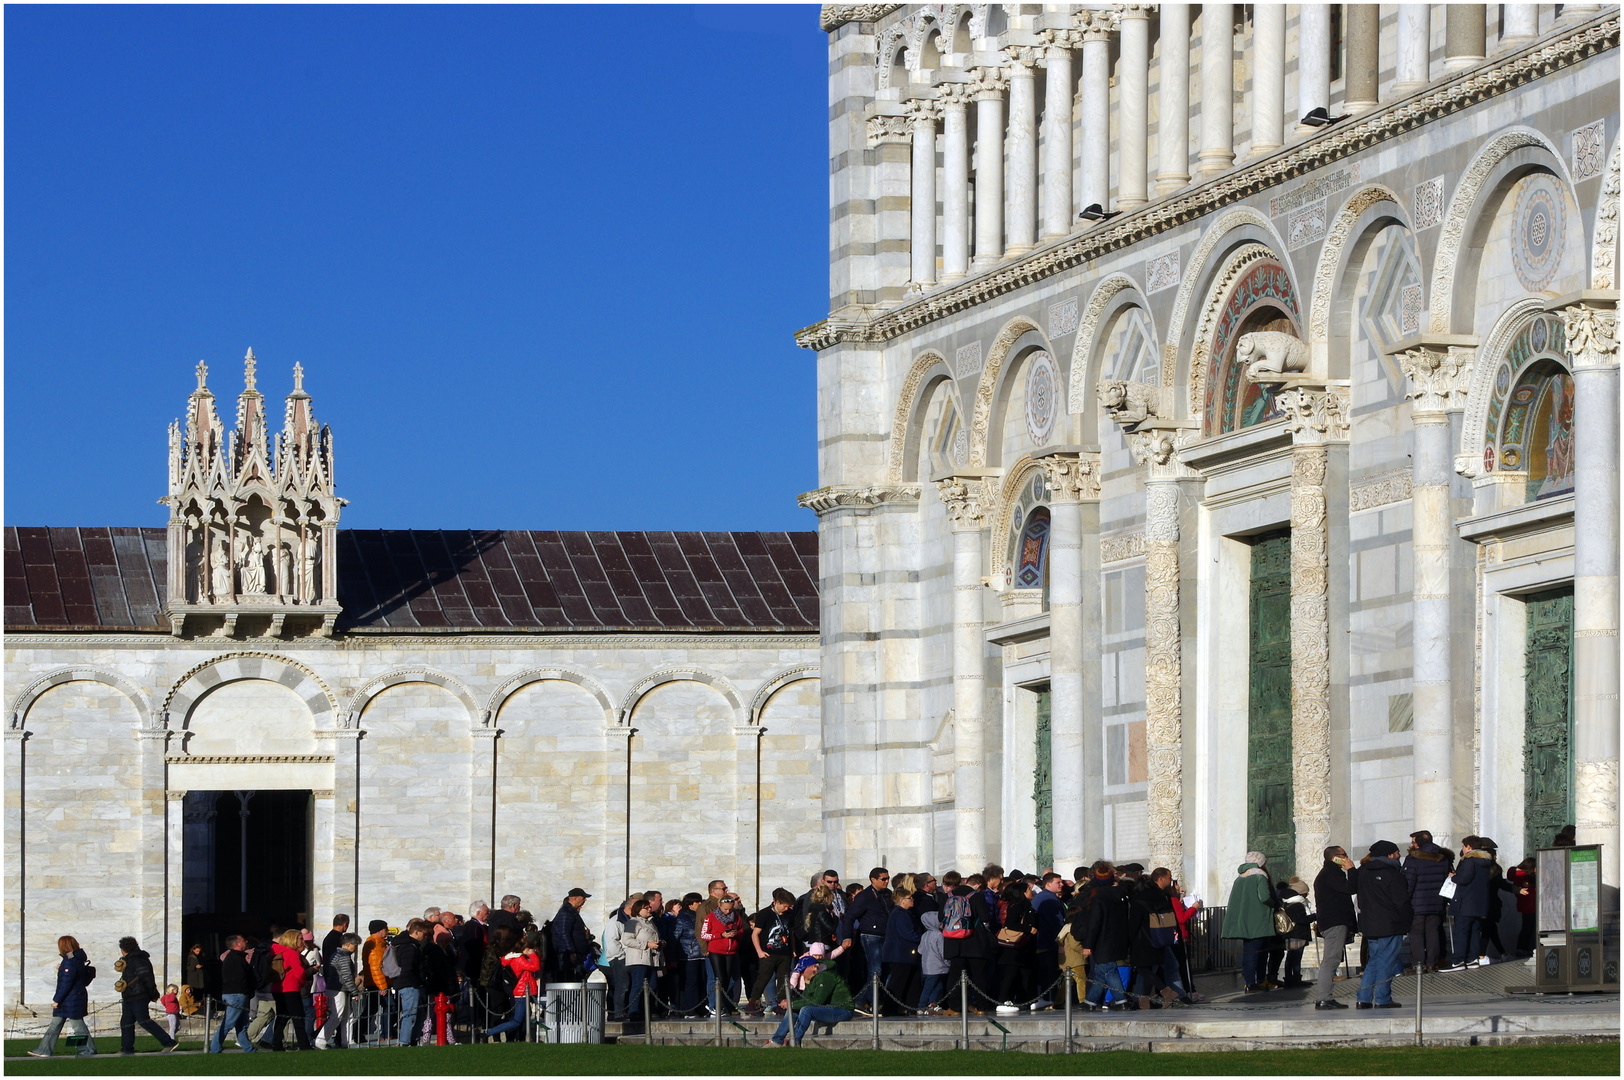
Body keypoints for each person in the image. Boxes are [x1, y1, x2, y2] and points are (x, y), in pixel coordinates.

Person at [1354, 840, 1413, 1008]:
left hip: (1370, 924)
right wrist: (1407, 922)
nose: (1399, 855)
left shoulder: (1363, 872)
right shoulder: (1393, 873)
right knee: (1387, 961)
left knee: (1374, 961)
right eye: (1396, 852)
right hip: (1390, 923)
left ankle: (1363, 998)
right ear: (1389, 855)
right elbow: (1402, 902)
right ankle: (1382, 998)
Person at [27, 936, 97, 1058]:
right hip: (74, 997)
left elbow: (66, 982)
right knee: (55, 1024)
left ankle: (88, 1050)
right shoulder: (76, 959)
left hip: (70, 998)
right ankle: (44, 1050)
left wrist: (57, 1000)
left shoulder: (69, 961)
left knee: (77, 1025)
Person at [1221, 852, 1279, 992]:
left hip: (1244, 920)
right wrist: (1275, 904)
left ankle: (1249, 981)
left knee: (1249, 951)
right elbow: (1264, 897)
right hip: (1259, 920)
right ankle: (1256, 982)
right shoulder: (1260, 876)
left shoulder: (1240, 878)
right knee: (1259, 952)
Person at [766, 955, 856, 1047]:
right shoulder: (812, 977)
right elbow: (805, 998)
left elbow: (817, 1001)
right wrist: (790, 1003)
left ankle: (795, 1041)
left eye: (803, 970)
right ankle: (777, 1040)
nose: (802, 974)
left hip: (843, 1010)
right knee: (793, 1009)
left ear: (813, 967)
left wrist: (792, 1003)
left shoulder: (826, 976)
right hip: (828, 1007)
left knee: (806, 1010)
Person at [1078, 861, 1133, 1011]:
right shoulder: (1121, 895)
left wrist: (1088, 945)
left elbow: (1094, 923)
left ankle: (1121, 1001)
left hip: (1103, 941)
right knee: (1101, 972)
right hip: (1118, 938)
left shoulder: (1098, 897)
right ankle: (1090, 1002)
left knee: (1109, 970)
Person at [838, 867, 893, 1012]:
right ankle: (868, 1000)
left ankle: (867, 1000)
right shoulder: (865, 896)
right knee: (876, 970)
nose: (887, 881)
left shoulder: (887, 894)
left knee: (885, 970)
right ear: (873, 880)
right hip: (871, 936)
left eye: (888, 878)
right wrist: (847, 936)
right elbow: (849, 917)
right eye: (883, 879)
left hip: (885, 936)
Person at [1312, 845, 1358, 1009]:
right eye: (1343, 855)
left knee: (1332, 959)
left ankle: (1325, 997)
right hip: (1334, 922)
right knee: (1331, 960)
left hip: (1334, 921)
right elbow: (1351, 888)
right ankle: (1324, 997)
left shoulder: (1330, 873)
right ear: (1335, 857)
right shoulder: (1330, 874)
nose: (1347, 857)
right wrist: (1351, 870)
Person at [116, 936, 178, 1055]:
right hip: (130, 995)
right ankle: (126, 1048)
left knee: (143, 1020)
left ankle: (168, 1042)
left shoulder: (138, 959)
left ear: (124, 948)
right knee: (126, 1022)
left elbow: (146, 977)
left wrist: (152, 992)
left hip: (139, 994)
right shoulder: (129, 959)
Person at [1441, 835, 1495, 971]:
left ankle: (1459, 960)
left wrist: (1454, 877)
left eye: (1464, 846)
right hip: (1479, 903)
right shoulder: (1485, 861)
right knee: (1475, 931)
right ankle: (1472, 959)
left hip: (1465, 903)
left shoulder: (1469, 861)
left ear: (1469, 847)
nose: (1463, 849)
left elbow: (1464, 879)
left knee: (1462, 932)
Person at [1403, 829, 1454, 972]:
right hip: (1437, 902)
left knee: (1417, 934)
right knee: (1433, 933)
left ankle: (1418, 964)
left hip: (1417, 903)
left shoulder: (1413, 859)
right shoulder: (1442, 858)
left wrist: (1405, 901)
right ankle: (1432, 963)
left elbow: (1409, 882)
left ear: (1417, 844)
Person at [746, 889, 797, 1016]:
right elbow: (755, 934)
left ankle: (780, 1004)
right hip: (768, 952)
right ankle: (753, 1003)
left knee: (783, 980)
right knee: (763, 978)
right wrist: (759, 951)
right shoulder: (764, 914)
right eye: (784, 906)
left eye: (788, 906)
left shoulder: (789, 914)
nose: (786, 908)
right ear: (776, 902)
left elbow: (791, 933)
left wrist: (793, 949)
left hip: (784, 952)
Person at [481, 937, 542, 1040]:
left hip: (525, 991)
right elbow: (535, 967)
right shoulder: (519, 959)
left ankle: (522, 1037)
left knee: (522, 1018)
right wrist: (532, 954)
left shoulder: (518, 958)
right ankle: (488, 1032)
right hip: (522, 992)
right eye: (530, 949)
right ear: (525, 949)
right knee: (516, 1021)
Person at [992, 878, 1037, 1013]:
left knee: (1025, 975)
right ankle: (1003, 999)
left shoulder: (1026, 906)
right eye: (1028, 889)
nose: (1031, 891)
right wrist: (1028, 929)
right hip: (1013, 947)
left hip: (1024, 947)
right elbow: (1010, 924)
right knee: (1010, 974)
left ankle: (1027, 999)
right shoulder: (1017, 906)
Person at [210, 935, 258, 1054]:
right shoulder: (235, 958)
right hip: (236, 994)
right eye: (243, 940)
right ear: (237, 944)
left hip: (235, 994)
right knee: (229, 1022)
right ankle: (215, 1047)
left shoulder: (233, 957)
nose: (246, 941)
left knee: (242, 1023)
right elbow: (241, 978)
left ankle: (248, 1048)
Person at [880, 888, 923, 1015]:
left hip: (905, 954)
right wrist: (923, 938)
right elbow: (908, 933)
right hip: (900, 954)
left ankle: (910, 1006)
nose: (912, 900)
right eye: (909, 898)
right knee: (898, 982)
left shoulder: (905, 913)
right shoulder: (900, 914)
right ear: (902, 901)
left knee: (912, 981)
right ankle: (890, 1009)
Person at [701, 893, 746, 1014]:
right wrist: (720, 935)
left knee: (727, 979)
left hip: (731, 950)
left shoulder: (736, 916)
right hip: (716, 950)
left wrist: (736, 933)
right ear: (719, 906)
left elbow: (742, 931)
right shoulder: (710, 917)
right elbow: (704, 934)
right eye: (725, 909)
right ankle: (716, 1004)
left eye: (730, 909)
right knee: (719, 977)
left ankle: (723, 1003)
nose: (727, 912)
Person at [269, 929, 312, 1051]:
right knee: (298, 1017)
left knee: (282, 1017)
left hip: (277, 988)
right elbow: (299, 972)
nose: (302, 941)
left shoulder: (277, 951)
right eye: (300, 938)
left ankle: (276, 1044)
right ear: (293, 939)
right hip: (291, 988)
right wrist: (303, 982)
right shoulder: (292, 953)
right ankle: (304, 1045)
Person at [317, 933, 362, 1049]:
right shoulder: (343, 957)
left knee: (347, 1015)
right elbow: (346, 976)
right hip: (339, 989)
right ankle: (320, 1040)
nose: (355, 948)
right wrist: (354, 991)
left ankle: (346, 1041)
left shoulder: (336, 954)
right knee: (337, 1016)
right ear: (348, 944)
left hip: (336, 988)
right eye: (355, 945)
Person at [622, 897, 662, 1021]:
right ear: (639, 909)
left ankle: (646, 1010)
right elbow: (627, 940)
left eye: (650, 907)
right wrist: (647, 944)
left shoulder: (650, 922)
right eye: (647, 908)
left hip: (651, 959)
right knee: (638, 986)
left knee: (653, 986)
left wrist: (660, 943)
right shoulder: (633, 922)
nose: (650, 909)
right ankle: (634, 1011)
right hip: (638, 960)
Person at [675, 894, 707, 1015]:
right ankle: (690, 1008)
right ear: (690, 905)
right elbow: (676, 935)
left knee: (702, 981)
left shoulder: (702, 915)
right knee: (691, 982)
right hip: (689, 955)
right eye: (697, 902)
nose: (700, 904)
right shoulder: (683, 917)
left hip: (702, 954)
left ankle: (701, 1007)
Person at [550, 888, 592, 979]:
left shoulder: (571, 911)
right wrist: (571, 952)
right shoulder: (566, 912)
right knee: (569, 979)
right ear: (575, 898)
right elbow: (563, 933)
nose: (585, 900)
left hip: (575, 952)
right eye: (583, 897)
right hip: (568, 954)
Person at [917, 910, 950, 1013]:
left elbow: (920, 950)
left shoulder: (925, 935)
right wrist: (948, 962)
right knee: (930, 987)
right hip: (937, 966)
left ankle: (932, 1003)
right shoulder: (938, 935)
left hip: (927, 966)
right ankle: (921, 1006)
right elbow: (942, 951)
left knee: (936, 986)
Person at [1508, 857, 1537, 957]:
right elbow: (1511, 874)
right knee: (1527, 928)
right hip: (1529, 905)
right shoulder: (1523, 875)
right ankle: (1522, 948)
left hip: (1528, 905)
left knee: (1528, 928)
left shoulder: (1526, 876)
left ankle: (1524, 948)